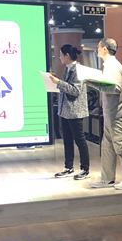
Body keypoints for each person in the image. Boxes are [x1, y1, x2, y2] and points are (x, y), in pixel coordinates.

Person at [85, 37, 122, 190]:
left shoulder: (112, 66)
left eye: (98, 47)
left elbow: (115, 88)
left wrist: (93, 83)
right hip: (110, 114)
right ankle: (107, 178)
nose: (97, 49)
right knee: (107, 148)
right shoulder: (109, 65)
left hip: (116, 114)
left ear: (104, 49)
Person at [50, 44, 90, 180]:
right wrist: (56, 82)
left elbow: (75, 90)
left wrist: (58, 82)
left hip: (75, 111)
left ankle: (85, 169)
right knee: (67, 140)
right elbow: (66, 87)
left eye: (61, 55)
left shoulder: (78, 70)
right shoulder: (68, 69)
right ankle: (68, 167)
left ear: (67, 55)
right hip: (66, 110)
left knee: (80, 140)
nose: (59, 57)